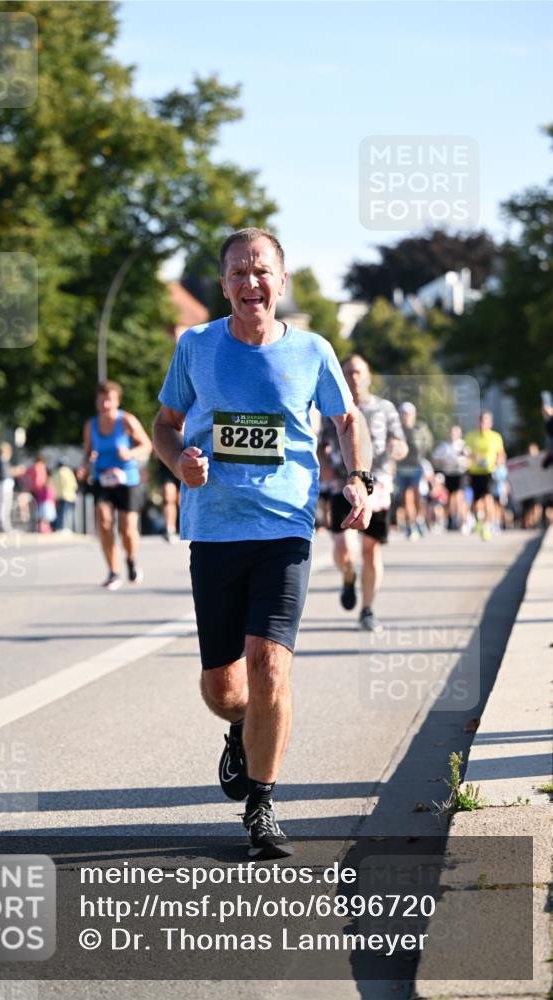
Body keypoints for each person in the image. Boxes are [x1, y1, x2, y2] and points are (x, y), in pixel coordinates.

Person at [153, 228, 371, 860]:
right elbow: (165, 426)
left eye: (262, 271)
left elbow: (345, 419)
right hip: (215, 529)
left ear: (281, 281)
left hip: (284, 528)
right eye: (239, 274)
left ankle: (262, 804)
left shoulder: (311, 350)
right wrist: (181, 465)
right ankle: (239, 729)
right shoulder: (196, 346)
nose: (251, 283)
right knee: (223, 689)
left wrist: (357, 478)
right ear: (224, 286)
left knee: (270, 662)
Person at [318, 354, 407, 633]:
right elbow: (321, 444)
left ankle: (367, 610)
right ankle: (347, 576)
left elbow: (401, 442)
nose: (354, 378)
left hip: (377, 485)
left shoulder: (385, 409)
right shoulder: (331, 408)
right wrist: (324, 465)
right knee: (344, 548)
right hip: (341, 486)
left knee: (371, 550)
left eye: (358, 372)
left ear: (368, 376)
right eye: (348, 373)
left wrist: (398, 450)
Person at [82, 380, 152, 590]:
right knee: (103, 523)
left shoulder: (126, 421)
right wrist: (84, 466)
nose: (105, 405)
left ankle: (131, 560)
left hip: (127, 480)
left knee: (127, 528)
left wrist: (129, 453)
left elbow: (147, 445)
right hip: (103, 478)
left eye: (109, 400)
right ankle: (113, 572)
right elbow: (87, 452)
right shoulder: (91, 425)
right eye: (101, 400)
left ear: (117, 401)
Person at [464, 411, 506, 541]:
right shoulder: (471, 436)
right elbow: (465, 453)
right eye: (481, 420)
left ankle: (488, 525)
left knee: (488, 498)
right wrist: (471, 458)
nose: (482, 423)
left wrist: (498, 463)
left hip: (489, 472)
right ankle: (480, 520)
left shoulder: (495, 437)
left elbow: (501, 454)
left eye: (485, 420)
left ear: (490, 423)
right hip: (474, 472)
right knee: (476, 502)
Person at [395, 402, 433, 540]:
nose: (406, 417)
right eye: (403, 414)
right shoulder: (396, 429)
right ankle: (411, 525)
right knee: (406, 497)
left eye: (408, 414)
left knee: (416, 497)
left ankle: (419, 520)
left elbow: (428, 446)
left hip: (416, 467)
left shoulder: (420, 428)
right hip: (400, 469)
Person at [431, 425, 470, 530]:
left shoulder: (462, 445)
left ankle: (462, 520)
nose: (453, 435)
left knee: (459, 496)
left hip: (460, 474)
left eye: (455, 433)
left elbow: (469, 460)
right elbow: (435, 459)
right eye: (452, 433)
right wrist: (441, 462)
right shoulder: (444, 446)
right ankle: (450, 519)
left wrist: (463, 463)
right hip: (448, 474)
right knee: (449, 498)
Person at [52, 461, 78, 533]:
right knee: (68, 513)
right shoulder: (67, 471)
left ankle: (60, 527)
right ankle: (67, 528)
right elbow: (73, 484)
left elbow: (52, 484)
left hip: (58, 495)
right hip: (69, 495)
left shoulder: (56, 473)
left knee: (60, 513)